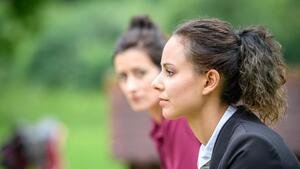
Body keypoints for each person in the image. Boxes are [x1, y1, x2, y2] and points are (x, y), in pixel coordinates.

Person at [152, 18, 300, 169]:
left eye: (170, 72)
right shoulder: (220, 147)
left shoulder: (251, 150)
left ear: (209, 81)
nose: (155, 83)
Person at [113, 15, 200, 169]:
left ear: (164, 70)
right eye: (123, 76)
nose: (130, 87)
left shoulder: (179, 121)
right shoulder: (160, 121)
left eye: (140, 73)